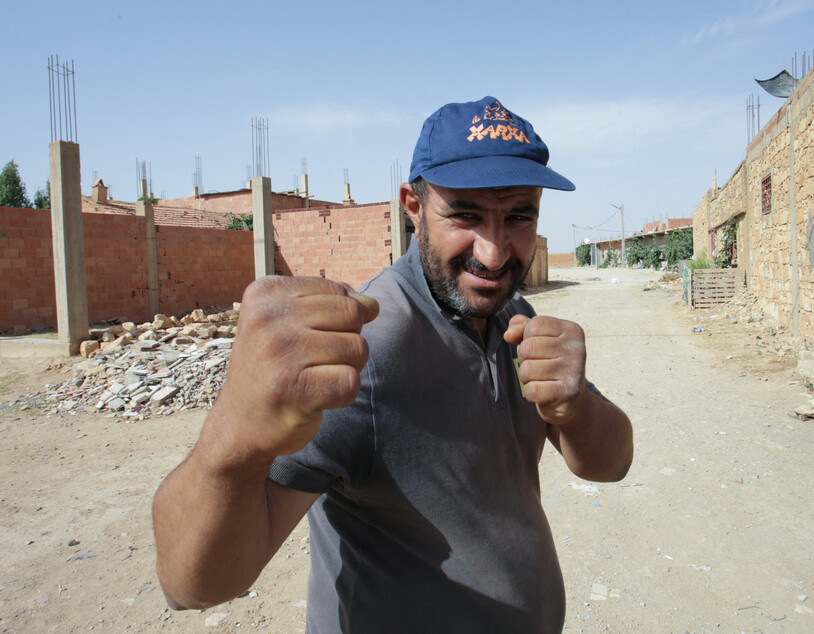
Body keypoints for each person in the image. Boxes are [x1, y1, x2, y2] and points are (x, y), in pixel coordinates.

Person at [153, 96, 633, 632]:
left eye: (518, 217)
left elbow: (608, 465)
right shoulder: (364, 352)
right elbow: (192, 584)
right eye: (466, 215)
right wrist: (231, 438)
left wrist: (574, 402)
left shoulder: (512, 314)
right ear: (412, 206)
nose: (495, 254)